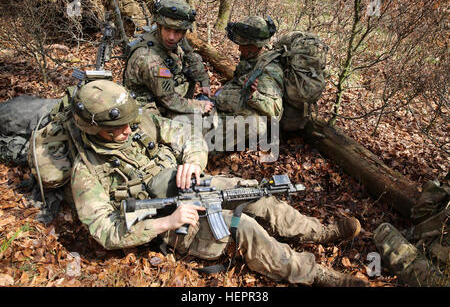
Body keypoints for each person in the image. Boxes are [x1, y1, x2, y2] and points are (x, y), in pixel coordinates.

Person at [70, 79, 367, 287]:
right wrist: (167, 222)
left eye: (128, 123)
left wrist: (193, 163)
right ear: (95, 129)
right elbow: (105, 231)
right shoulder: (86, 171)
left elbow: (191, 137)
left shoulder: (140, 123)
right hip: (168, 218)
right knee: (243, 227)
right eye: (117, 128)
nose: (127, 130)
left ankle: (318, 231)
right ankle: (313, 274)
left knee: (258, 194)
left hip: (193, 186)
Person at [123, 0, 214, 118]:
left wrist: (204, 81)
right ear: (159, 26)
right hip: (151, 109)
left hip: (166, 95)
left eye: (177, 31)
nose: (171, 36)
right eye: (167, 29)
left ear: (183, 32)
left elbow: (192, 56)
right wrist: (199, 105)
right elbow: (169, 100)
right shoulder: (149, 59)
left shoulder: (172, 38)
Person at [212, 16, 284, 147]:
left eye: (243, 45)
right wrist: (226, 88)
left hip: (252, 118)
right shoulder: (251, 57)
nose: (239, 49)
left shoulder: (269, 71)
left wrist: (254, 96)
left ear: (255, 46)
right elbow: (239, 78)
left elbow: (276, 111)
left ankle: (209, 145)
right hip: (234, 106)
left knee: (255, 124)